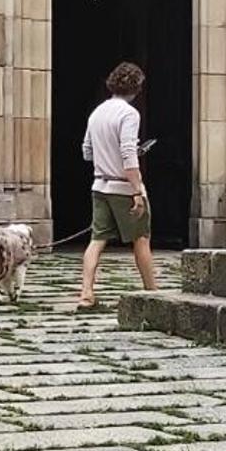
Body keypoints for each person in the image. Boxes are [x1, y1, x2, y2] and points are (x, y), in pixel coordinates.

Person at [76, 61, 161, 311]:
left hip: (100, 185)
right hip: (123, 186)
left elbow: (87, 152)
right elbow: (127, 153)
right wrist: (137, 191)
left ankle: (86, 294)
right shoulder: (129, 114)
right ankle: (152, 292)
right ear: (137, 88)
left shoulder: (97, 113)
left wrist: (107, 155)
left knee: (97, 240)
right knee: (141, 238)